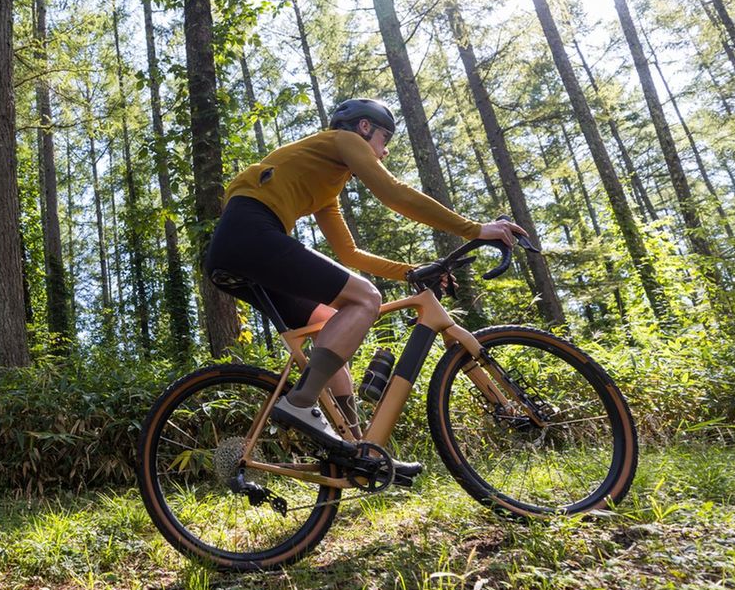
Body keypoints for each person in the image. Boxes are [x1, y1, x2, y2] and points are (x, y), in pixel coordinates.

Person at [204, 98, 525, 478]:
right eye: (384, 139)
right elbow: (394, 193)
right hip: (250, 232)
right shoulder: (343, 140)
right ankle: (301, 401)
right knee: (367, 297)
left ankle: (357, 452)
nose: (384, 151)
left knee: (331, 327)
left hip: (237, 249)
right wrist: (475, 230)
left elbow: (349, 253)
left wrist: (410, 272)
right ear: (364, 127)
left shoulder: (327, 187)